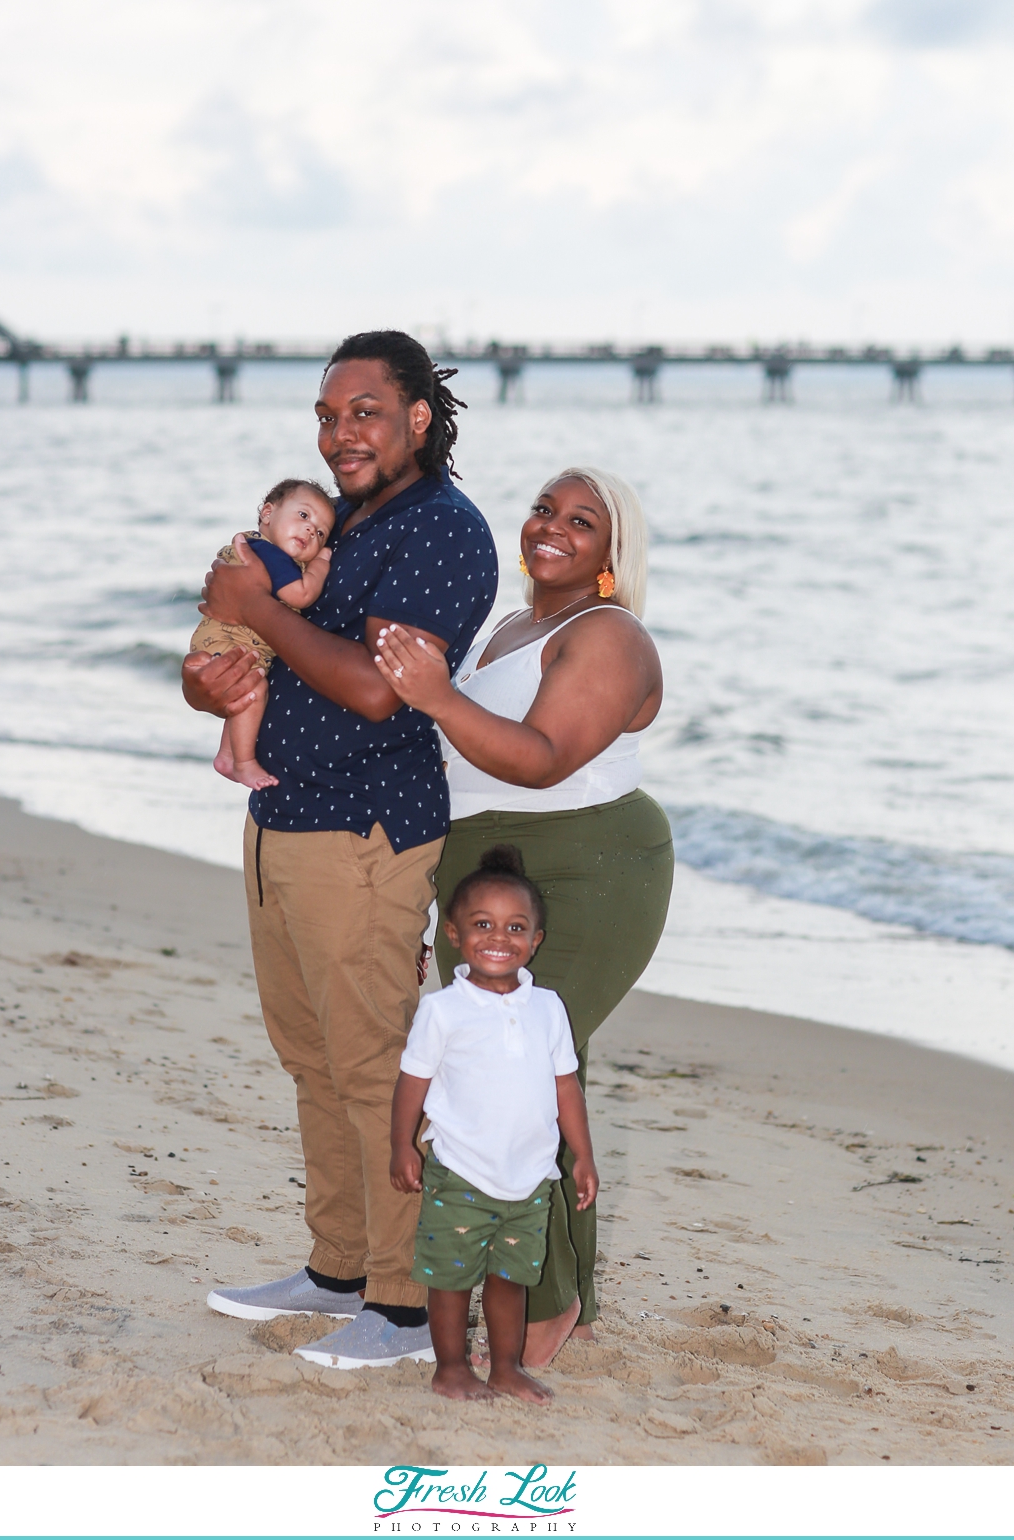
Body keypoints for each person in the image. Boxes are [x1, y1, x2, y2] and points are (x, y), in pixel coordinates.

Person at [181, 331, 497, 1370]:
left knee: (371, 1071)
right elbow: (237, 646)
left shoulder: (446, 531)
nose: (339, 432)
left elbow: (378, 688)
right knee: (310, 1060)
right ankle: (339, 1268)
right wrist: (215, 673)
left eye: (363, 410)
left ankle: (404, 1308)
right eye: (326, 414)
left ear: (417, 417)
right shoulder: (339, 525)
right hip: (279, 823)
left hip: (364, 835)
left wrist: (256, 607)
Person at [373, 464, 674, 1367]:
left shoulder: (609, 634)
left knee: (528, 1077)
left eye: (583, 520)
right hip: (483, 871)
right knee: (487, 1076)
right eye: (545, 507)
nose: (552, 526)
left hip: (587, 869)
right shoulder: (511, 626)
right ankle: (542, 1288)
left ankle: (550, 1303)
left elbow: (541, 760)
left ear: (613, 555)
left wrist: (436, 695)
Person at [390, 844, 597, 1404]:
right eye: (483, 924)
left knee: (511, 1281)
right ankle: (451, 1368)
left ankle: (506, 1368)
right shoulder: (444, 1011)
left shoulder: (548, 1008)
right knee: (452, 1280)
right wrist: (403, 1146)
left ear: (535, 941)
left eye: (515, 927)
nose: (498, 938)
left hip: (529, 1178)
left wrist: (581, 1155)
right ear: (454, 933)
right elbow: (413, 1081)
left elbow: (565, 1088)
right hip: (460, 1171)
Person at [188, 478, 336, 790]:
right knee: (253, 691)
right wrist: (321, 564)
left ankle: (226, 755)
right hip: (229, 639)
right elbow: (300, 595)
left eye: (321, 533)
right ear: (267, 514)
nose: (311, 531)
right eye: (304, 516)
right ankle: (243, 763)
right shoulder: (271, 556)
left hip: (223, 637)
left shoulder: (263, 549)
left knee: (245, 693)